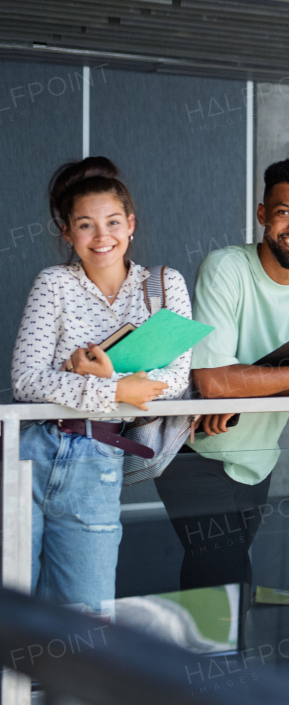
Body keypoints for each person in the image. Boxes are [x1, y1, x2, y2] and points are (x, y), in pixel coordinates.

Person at [154, 158, 289, 601]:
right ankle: (212, 666)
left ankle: (205, 661)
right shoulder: (225, 266)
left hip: (258, 456)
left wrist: (244, 391)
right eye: (284, 211)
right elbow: (212, 383)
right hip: (193, 451)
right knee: (220, 576)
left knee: (225, 578)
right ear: (263, 214)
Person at [12, 157, 190, 615]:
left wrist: (98, 377)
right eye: (85, 225)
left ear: (130, 225)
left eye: (112, 222)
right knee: (9, 611)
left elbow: (174, 379)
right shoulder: (53, 283)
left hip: (98, 459)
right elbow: (26, 381)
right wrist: (115, 390)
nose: (101, 236)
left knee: (85, 621)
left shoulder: (164, 286)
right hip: (28, 451)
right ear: (67, 233)